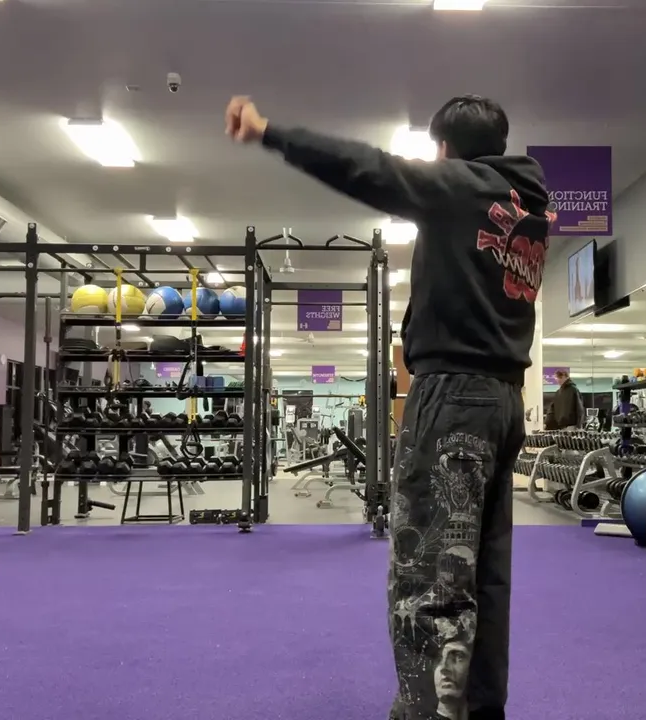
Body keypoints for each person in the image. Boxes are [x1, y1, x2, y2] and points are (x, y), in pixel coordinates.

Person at [227, 94, 552, 720]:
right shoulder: (528, 206)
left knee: (429, 575)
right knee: (483, 574)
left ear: (445, 149)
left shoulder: (459, 186)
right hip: (502, 400)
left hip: (453, 399)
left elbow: (367, 168)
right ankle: (479, 709)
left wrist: (271, 132)